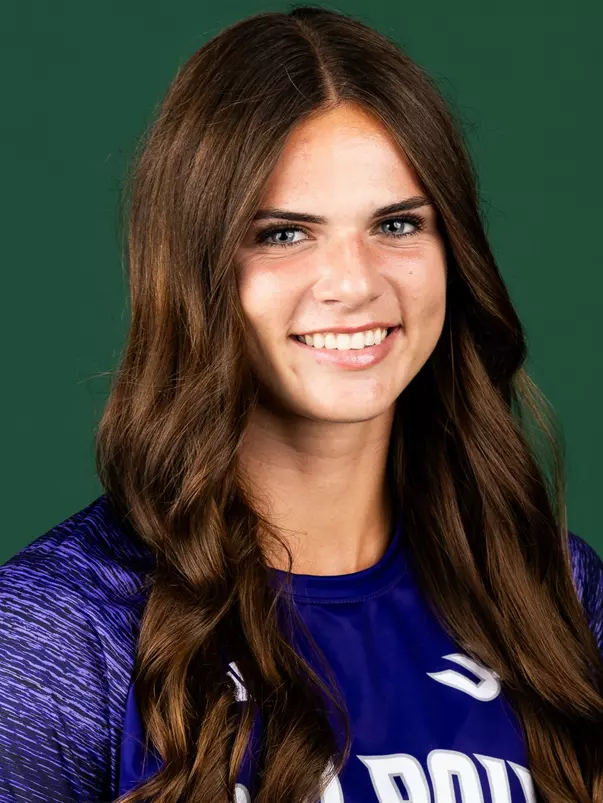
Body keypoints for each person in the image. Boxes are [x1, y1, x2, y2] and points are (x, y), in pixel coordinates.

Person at [1, 6, 602, 803]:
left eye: (396, 223)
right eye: (284, 234)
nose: (354, 283)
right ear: (195, 270)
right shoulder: (57, 634)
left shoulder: (551, 592)